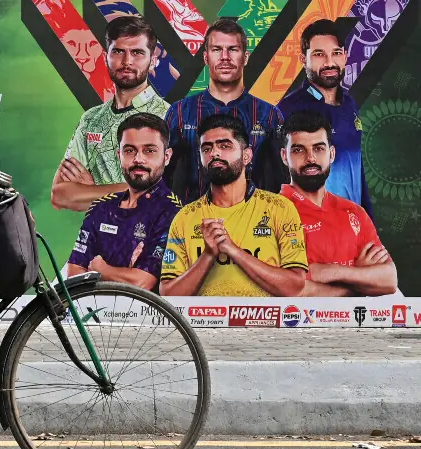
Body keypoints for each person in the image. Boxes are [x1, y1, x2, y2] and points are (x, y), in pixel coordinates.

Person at [159, 114, 308, 297]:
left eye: (224, 145)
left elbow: (295, 287)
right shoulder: (185, 217)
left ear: (247, 155)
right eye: (207, 148)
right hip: (200, 326)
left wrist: (233, 250)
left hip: (264, 324)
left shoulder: (280, 208)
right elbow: (168, 296)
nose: (214, 153)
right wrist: (207, 255)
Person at [51, 15, 171, 212]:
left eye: (137, 53)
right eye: (118, 51)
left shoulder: (170, 117)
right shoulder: (91, 120)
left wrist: (92, 191)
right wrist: (130, 191)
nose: (127, 61)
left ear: (153, 61)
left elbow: (165, 196)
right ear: (106, 56)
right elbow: (60, 195)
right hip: (98, 240)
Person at [163, 18, 286, 205]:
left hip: (254, 224)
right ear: (206, 57)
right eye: (217, 49)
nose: (225, 57)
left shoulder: (269, 115)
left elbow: (281, 181)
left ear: (245, 57)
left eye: (233, 49)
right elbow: (163, 177)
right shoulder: (179, 112)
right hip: (191, 223)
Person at [279, 110, 397, 296]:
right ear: (285, 157)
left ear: (332, 154)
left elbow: (389, 280)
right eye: (298, 150)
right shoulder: (271, 212)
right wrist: (359, 280)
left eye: (319, 149)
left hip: (355, 325)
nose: (310, 158)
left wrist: (329, 272)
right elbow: (287, 288)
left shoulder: (354, 212)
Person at [67, 113, 182, 291]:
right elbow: (74, 273)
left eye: (149, 150)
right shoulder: (101, 207)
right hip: (92, 315)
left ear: (167, 156)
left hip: (142, 317)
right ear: (119, 155)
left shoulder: (173, 213)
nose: (138, 159)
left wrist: (100, 269)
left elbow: (142, 283)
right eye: (130, 150)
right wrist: (123, 274)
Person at [277, 19, 373, 218]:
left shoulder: (350, 105)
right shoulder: (285, 111)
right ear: (303, 59)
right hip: (308, 230)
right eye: (319, 54)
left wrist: (368, 220)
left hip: (353, 227)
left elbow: (357, 169)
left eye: (336, 53)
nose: (329, 62)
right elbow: (275, 181)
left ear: (345, 56)